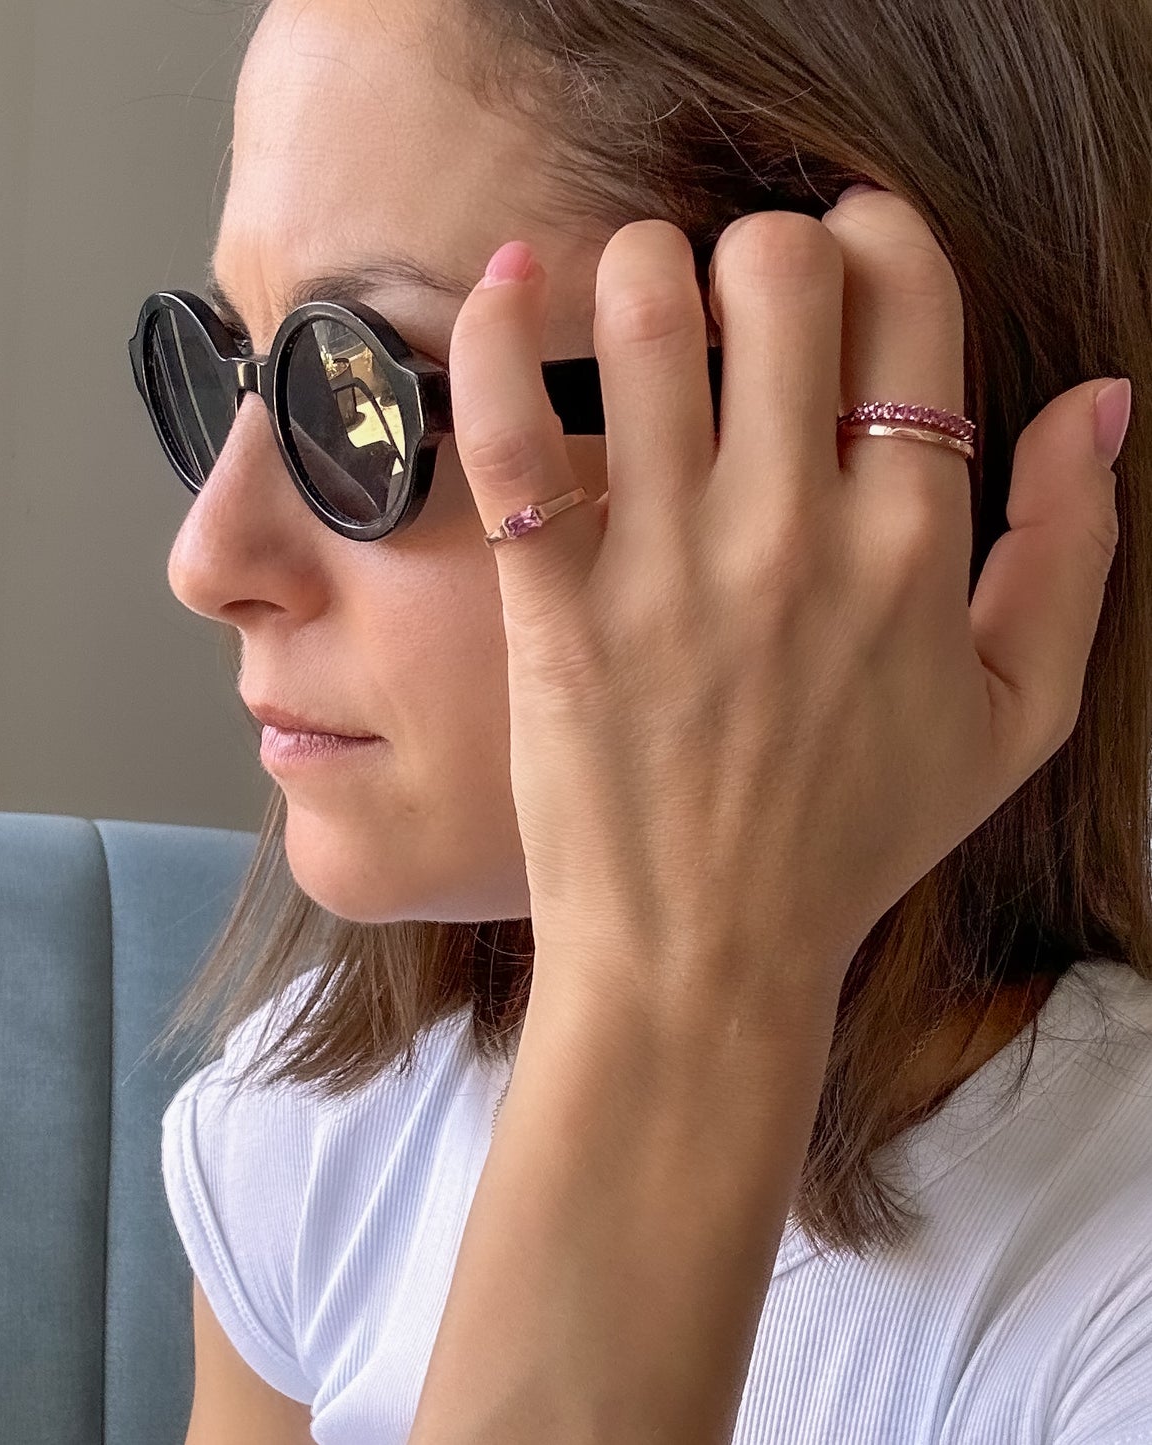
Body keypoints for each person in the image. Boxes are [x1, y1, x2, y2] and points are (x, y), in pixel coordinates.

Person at [147, 0, 1152, 1439]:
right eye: (225, 363)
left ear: (857, 439)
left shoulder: (1113, 1300)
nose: (205, 559)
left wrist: (684, 984)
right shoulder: (304, 1143)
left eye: (356, 395)